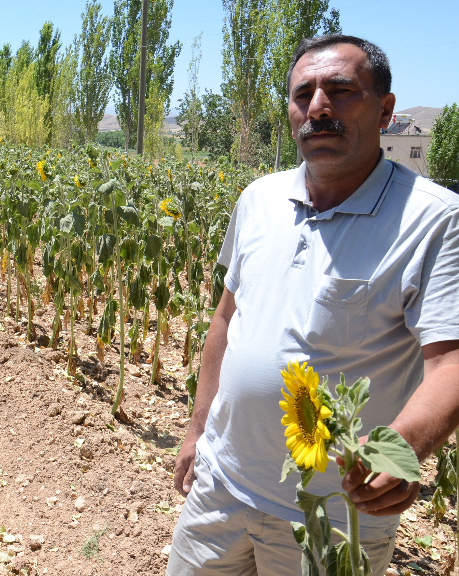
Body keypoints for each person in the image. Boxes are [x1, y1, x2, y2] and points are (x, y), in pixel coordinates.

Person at [167, 34, 459, 575]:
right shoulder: (258, 199)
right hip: (221, 487)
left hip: (332, 518)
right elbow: (226, 321)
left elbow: (451, 363)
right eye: (304, 94)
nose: (319, 107)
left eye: (342, 90)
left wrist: (401, 447)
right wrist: (197, 430)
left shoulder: (436, 220)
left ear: (386, 112)